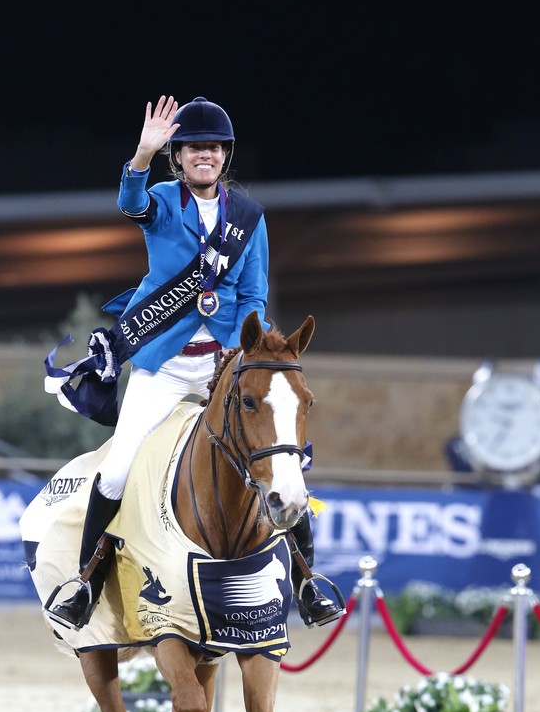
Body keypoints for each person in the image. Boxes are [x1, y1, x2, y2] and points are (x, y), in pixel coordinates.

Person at [51, 95, 343, 631]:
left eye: (212, 148)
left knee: (287, 462)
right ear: (179, 157)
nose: (203, 156)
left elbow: (254, 290)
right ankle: (84, 581)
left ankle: (307, 581)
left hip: (225, 365)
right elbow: (128, 200)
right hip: (164, 364)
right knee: (117, 468)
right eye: (193, 149)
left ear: (224, 157)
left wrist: (247, 346)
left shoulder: (249, 219)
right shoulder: (162, 200)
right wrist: (142, 152)